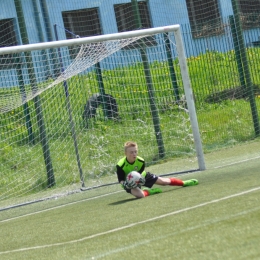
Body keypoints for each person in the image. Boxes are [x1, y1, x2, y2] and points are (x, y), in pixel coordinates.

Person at [116, 141, 198, 198]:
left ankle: (184, 183)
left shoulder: (141, 161)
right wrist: (126, 184)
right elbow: (120, 180)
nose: (134, 154)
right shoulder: (120, 165)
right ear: (125, 153)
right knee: (140, 196)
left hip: (142, 176)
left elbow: (140, 174)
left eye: (135, 151)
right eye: (131, 152)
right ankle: (149, 191)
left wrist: (141, 179)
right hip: (128, 183)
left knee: (164, 182)